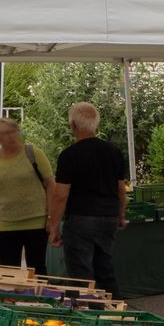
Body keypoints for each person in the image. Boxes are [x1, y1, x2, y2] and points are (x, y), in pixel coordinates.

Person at [47, 102, 128, 298]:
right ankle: (114, 315)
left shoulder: (69, 155)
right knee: (105, 270)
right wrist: (120, 215)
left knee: (80, 274)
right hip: (107, 216)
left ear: (73, 125)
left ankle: (86, 317)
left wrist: (54, 227)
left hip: (81, 218)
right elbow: (121, 190)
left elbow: (60, 195)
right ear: (95, 124)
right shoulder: (113, 152)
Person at [0, 117, 54, 270]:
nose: (4, 137)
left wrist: (51, 217)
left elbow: (51, 185)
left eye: (8, 132)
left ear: (17, 132)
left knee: (37, 267)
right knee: (7, 270)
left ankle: (40, 294)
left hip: (36, 221)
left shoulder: (33, 153)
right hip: (5, 223)